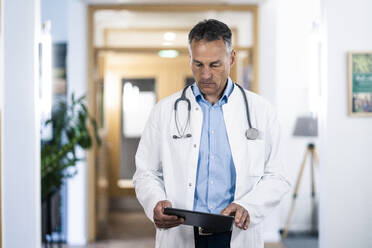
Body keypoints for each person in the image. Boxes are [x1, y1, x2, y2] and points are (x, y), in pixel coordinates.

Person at [133, 19, 290, 248]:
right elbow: (145, 172)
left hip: (236, 234)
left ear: (232, 58)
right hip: (183, 234)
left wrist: (249, 207)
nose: (205, 74)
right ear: (190, 60)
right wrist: (155, 202)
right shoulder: (164, 111)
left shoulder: (261, 111)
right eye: (198, 64)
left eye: (215, 65)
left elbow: (278, 175)